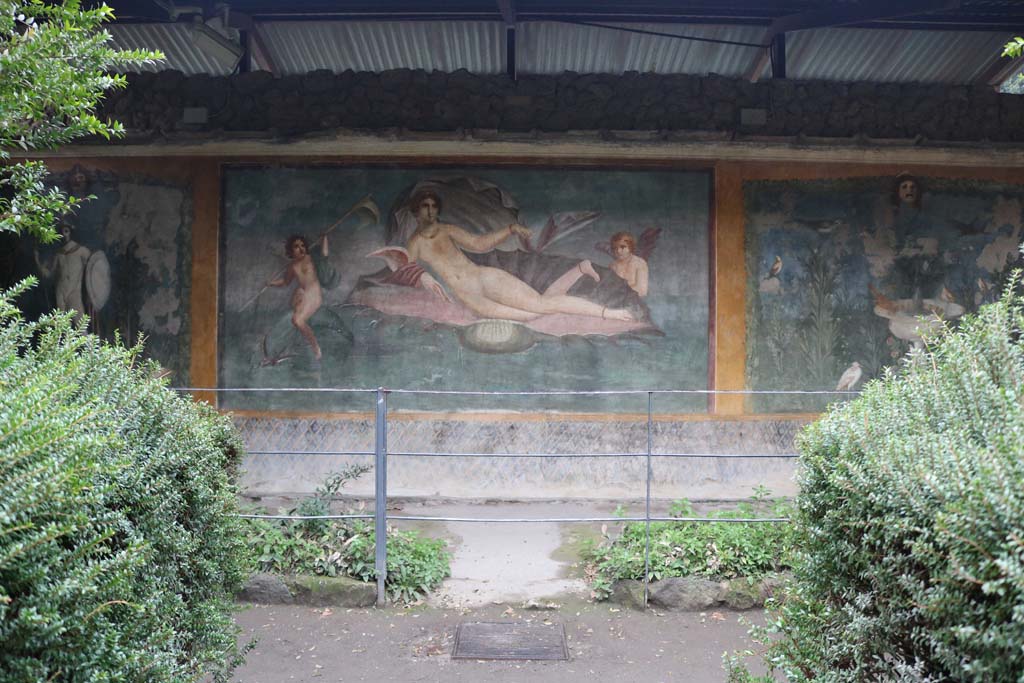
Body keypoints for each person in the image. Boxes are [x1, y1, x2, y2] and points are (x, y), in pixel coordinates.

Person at [405, 190, 634, 322]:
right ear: (416, 211)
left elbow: (478, 244)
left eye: (434, 206)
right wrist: (423, 277)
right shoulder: (415, 243)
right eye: (425, 206)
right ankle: (579, 270)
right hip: (468, 295)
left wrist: (510, 229)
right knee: (533, 316)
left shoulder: (448, 230)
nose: (431, 210)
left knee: (541, 306)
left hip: (484, 277)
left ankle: (609, 313)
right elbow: (405, 269)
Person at [267, 234, 327, 360]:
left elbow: (324, 255)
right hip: (304, 294)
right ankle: (295, 343)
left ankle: (316, 347)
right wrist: (271, 283)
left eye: (303, 245)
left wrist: (324, 238)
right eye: (296, 246)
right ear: (290, 251)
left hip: (314, 294)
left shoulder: (310, 258)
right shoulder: (292, 267)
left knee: (297, 320)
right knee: (294, 307)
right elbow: (285, 282)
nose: (301, 249)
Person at [34, 223, 91, 324]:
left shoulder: (81, 251)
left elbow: (93, 267)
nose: (63, 235)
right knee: (62, 326)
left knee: (80, 325)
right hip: (60, 292)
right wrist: (38, 261)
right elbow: (50, 274)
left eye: (66, 231)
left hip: (74, 292)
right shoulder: (59, 254)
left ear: (71, 233)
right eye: (61, 232)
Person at [608, 231, 649, 297]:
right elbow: (608, 287)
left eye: (622, 247)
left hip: (633, 301)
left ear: (630, 247)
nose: (618, 251)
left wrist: (619, 292)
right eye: (615, 248)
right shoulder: (612, 265)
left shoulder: (639, 263)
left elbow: (642, 291)